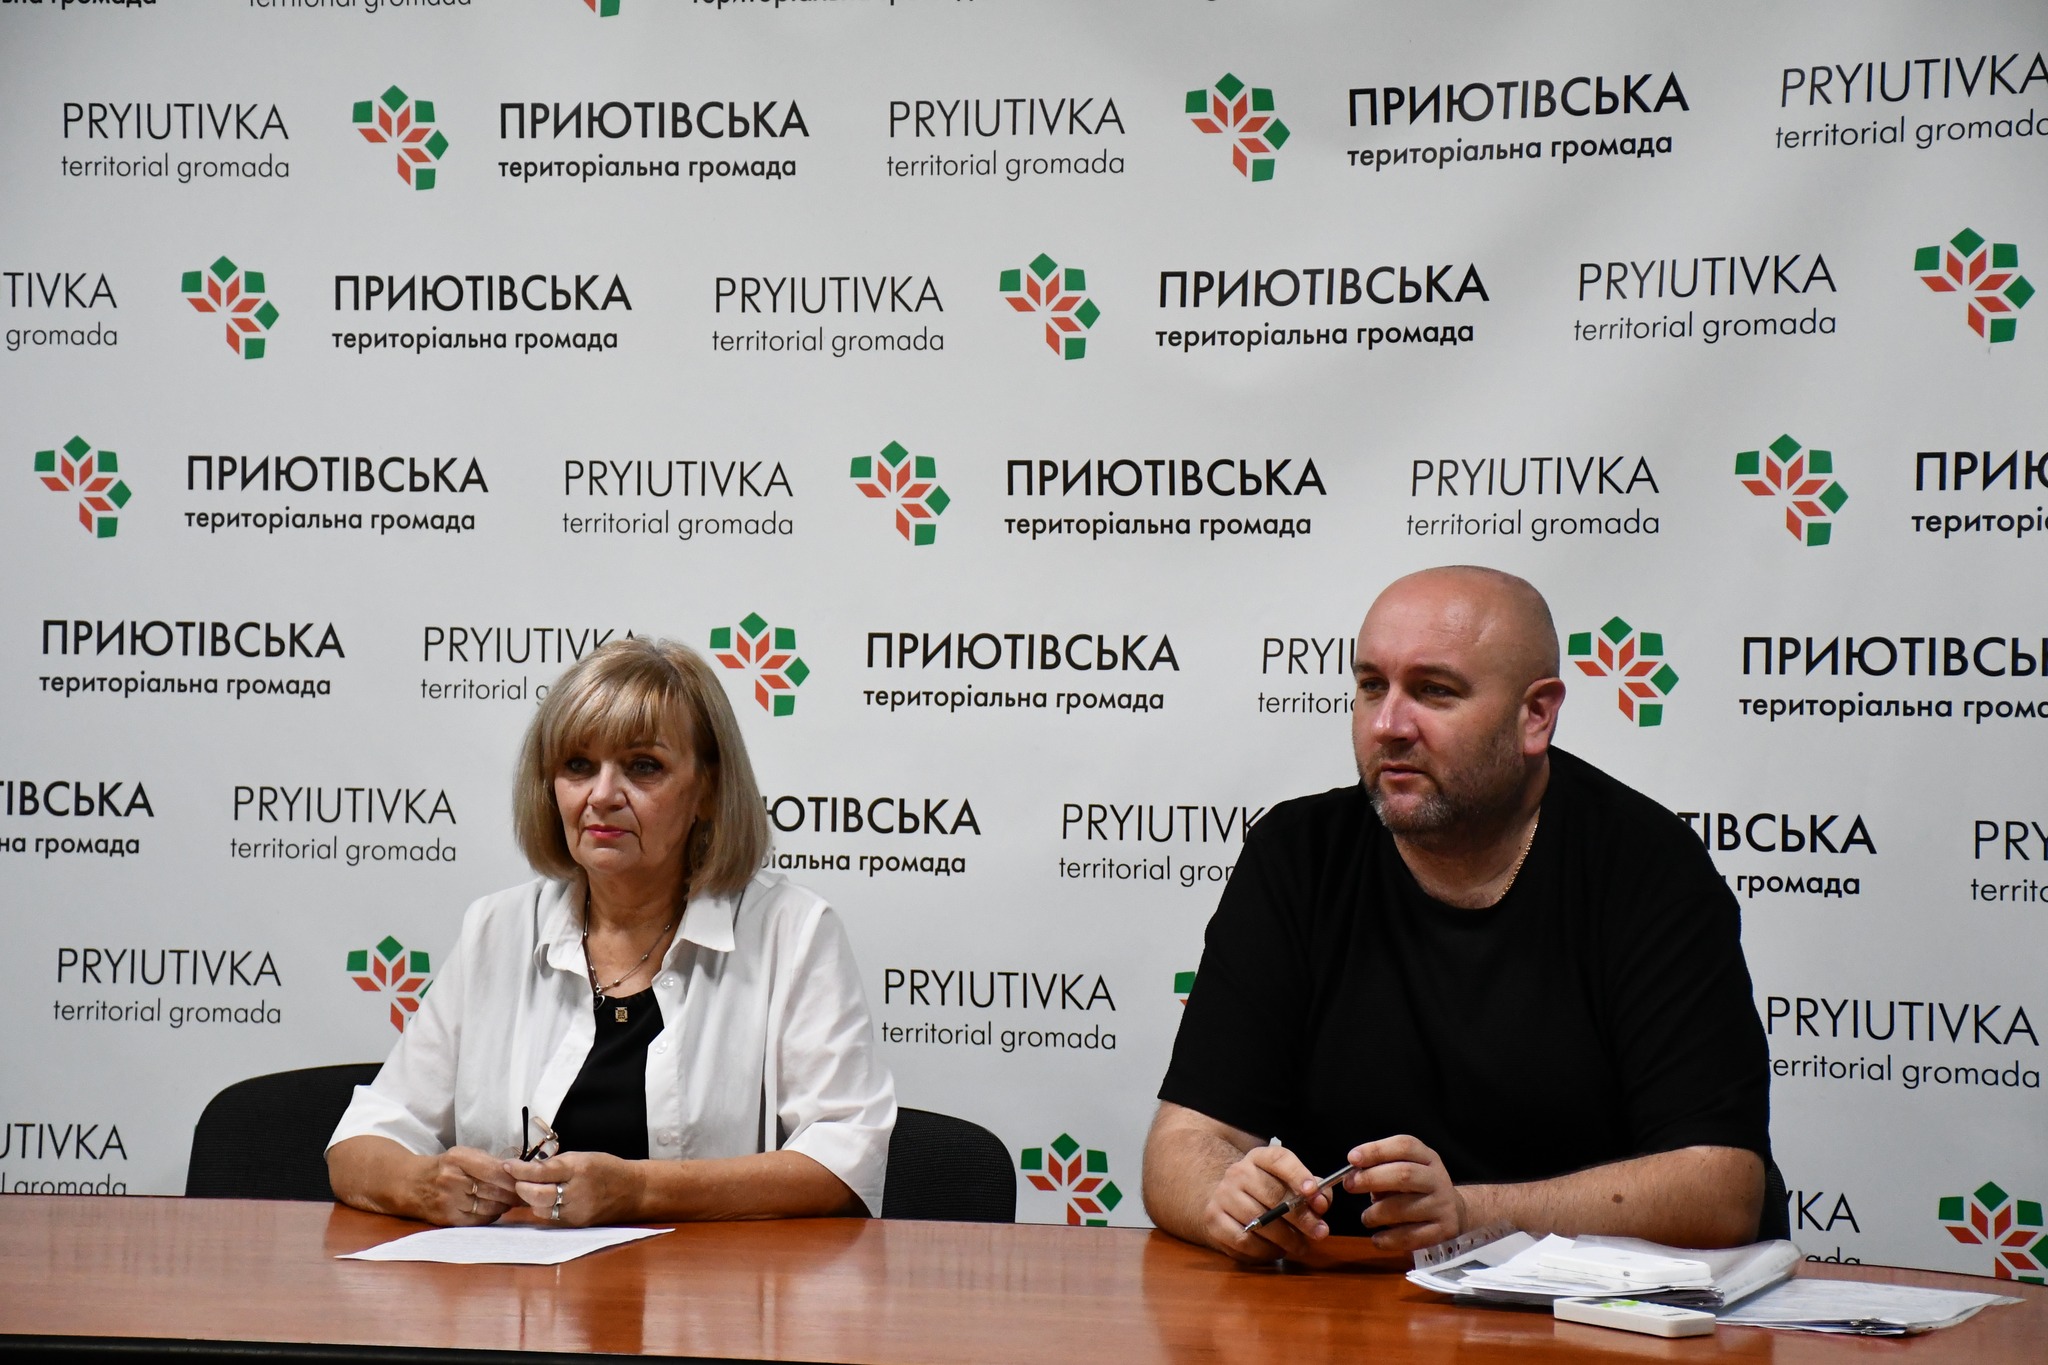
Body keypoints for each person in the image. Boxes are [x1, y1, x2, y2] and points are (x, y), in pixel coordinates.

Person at [1143, 566, 1770, 1262]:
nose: (1388, 725)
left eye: (1434, 691)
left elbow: (1721, 1188)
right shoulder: (1297, 855)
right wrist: (1223, 1196)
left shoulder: (1648, 866)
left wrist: (1472, 1216)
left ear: (1536, 715)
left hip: (1578, 1309)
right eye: (1372, 686)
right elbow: (1182, 1143)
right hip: (1352, 1304)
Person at [327, 637, 895, 1226]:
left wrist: (640, 1192)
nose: (601, 795)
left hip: (712, 1284)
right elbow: (361, 1142)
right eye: (578, 766)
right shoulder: (496, 928)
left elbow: (844, 1161)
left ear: (706, 789)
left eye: (643, 766)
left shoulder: (792, 932)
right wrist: (421, 1185)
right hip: (513, 1282)